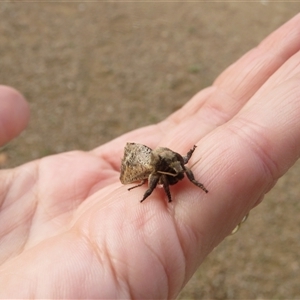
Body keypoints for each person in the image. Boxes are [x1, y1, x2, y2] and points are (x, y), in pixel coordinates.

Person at [0, 13, 300, 298]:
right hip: (144, 163)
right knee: (162, 176)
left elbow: (180, 164)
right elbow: (165, 174)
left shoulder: (174, 163)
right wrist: (159, 195)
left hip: (155, 158)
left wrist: (190, 177)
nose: (180, 172)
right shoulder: (158, 170)